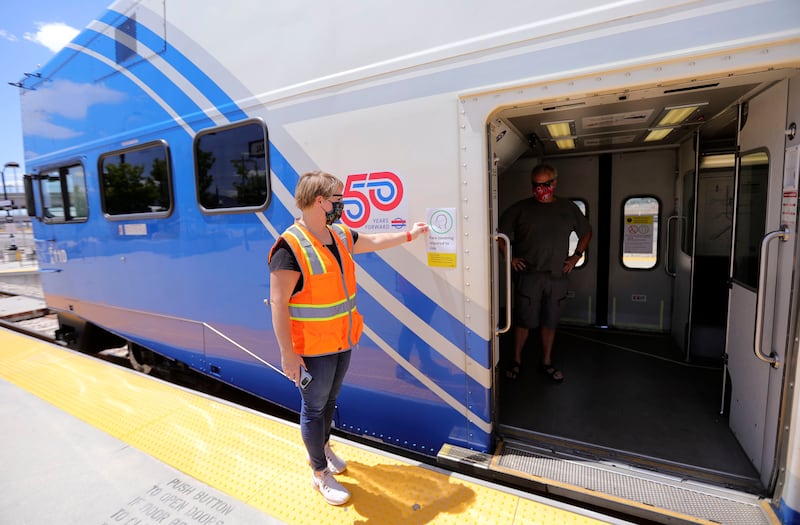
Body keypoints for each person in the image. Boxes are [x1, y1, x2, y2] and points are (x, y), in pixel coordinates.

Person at [268, 170, 428, 506]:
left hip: (341, 340)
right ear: (319, 201)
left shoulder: (338, 233)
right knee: (313, 408)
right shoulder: (290, 246)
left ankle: (324, 446)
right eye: (338, 199)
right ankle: (319, 473)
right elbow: (279, 303)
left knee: (329, 402)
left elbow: (371, 242)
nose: (343, 204)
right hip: (312, 348)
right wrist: (287, 354)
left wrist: (409, 236)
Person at [498, 163, 592, 383]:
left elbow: (587, 232)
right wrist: (509, 257)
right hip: (529, 276)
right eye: (536, 185)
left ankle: (546, 362)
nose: (541, 189)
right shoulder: (519, 209)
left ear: (555, 183)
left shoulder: (568, 208)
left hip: (557, 277)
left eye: (545, 184)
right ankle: (517, 361)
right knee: (523, 322)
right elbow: (500, 235)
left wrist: (576, 256)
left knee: (550, 322)